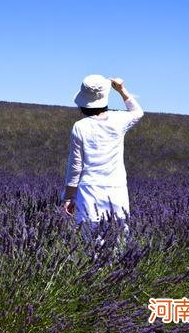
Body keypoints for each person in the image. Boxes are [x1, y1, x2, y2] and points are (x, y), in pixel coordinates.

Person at [60, 74, 144, 233]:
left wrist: (70, 197)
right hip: (116, 187)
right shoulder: (118, 120)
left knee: (91, 243)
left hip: (90, 189)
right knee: (119, 239)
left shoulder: (80, 127)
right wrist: (121, 90)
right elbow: (138, 112)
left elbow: (75, 166)